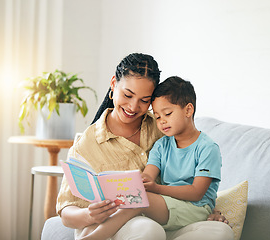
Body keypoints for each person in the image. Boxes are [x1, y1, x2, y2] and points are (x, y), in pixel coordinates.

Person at [56, 53, 233, 240]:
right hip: (118, 226)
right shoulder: (86, 144)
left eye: (144, 100)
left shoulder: (163, 129)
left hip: (167, 217)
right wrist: (89, 214)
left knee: (221, 232)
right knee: (148, 229)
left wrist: (209, 211)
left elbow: (195, 184)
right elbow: (66, 211)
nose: (133, 107)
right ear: (114, 84)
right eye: (128, 95)